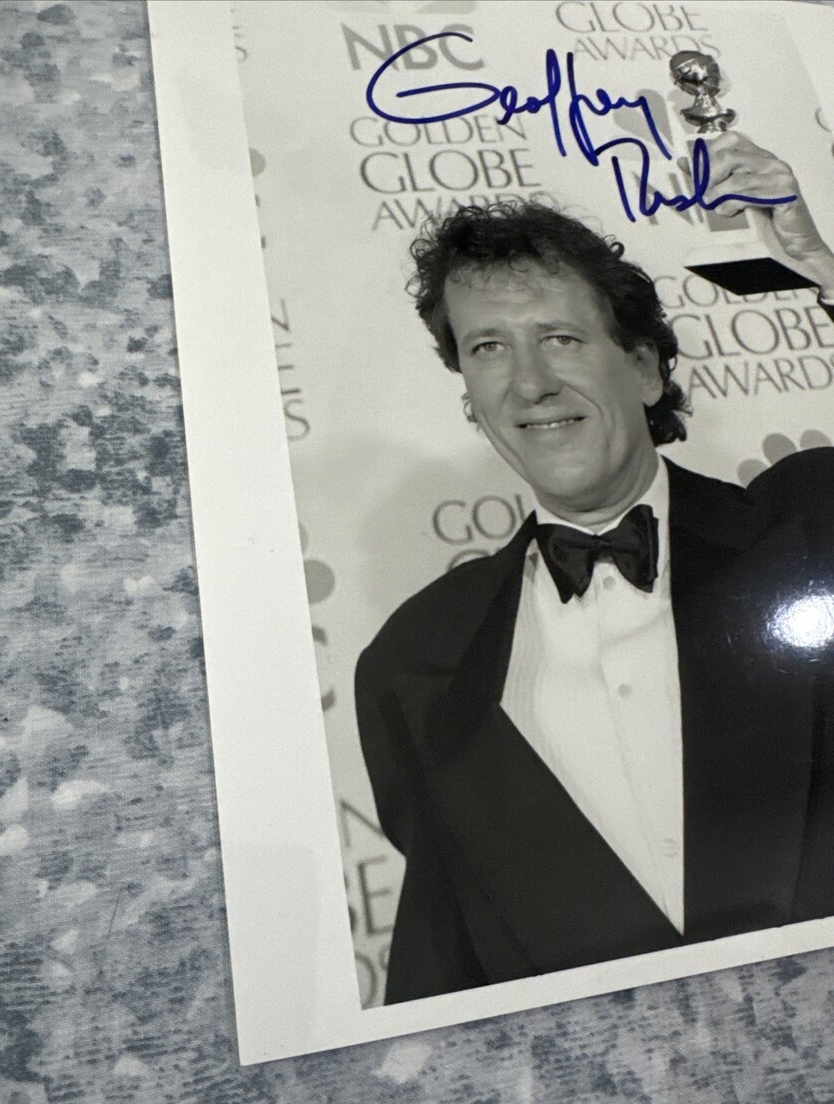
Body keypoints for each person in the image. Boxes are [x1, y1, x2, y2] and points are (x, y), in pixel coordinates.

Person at [354, 133, 834, 1005]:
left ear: (644, 368)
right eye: (488, 348)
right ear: (468, 397)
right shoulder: (411, 662)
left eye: (561, 337)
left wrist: (821, 268)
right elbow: (444, 964)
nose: (529, 382)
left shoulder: (812, 522)